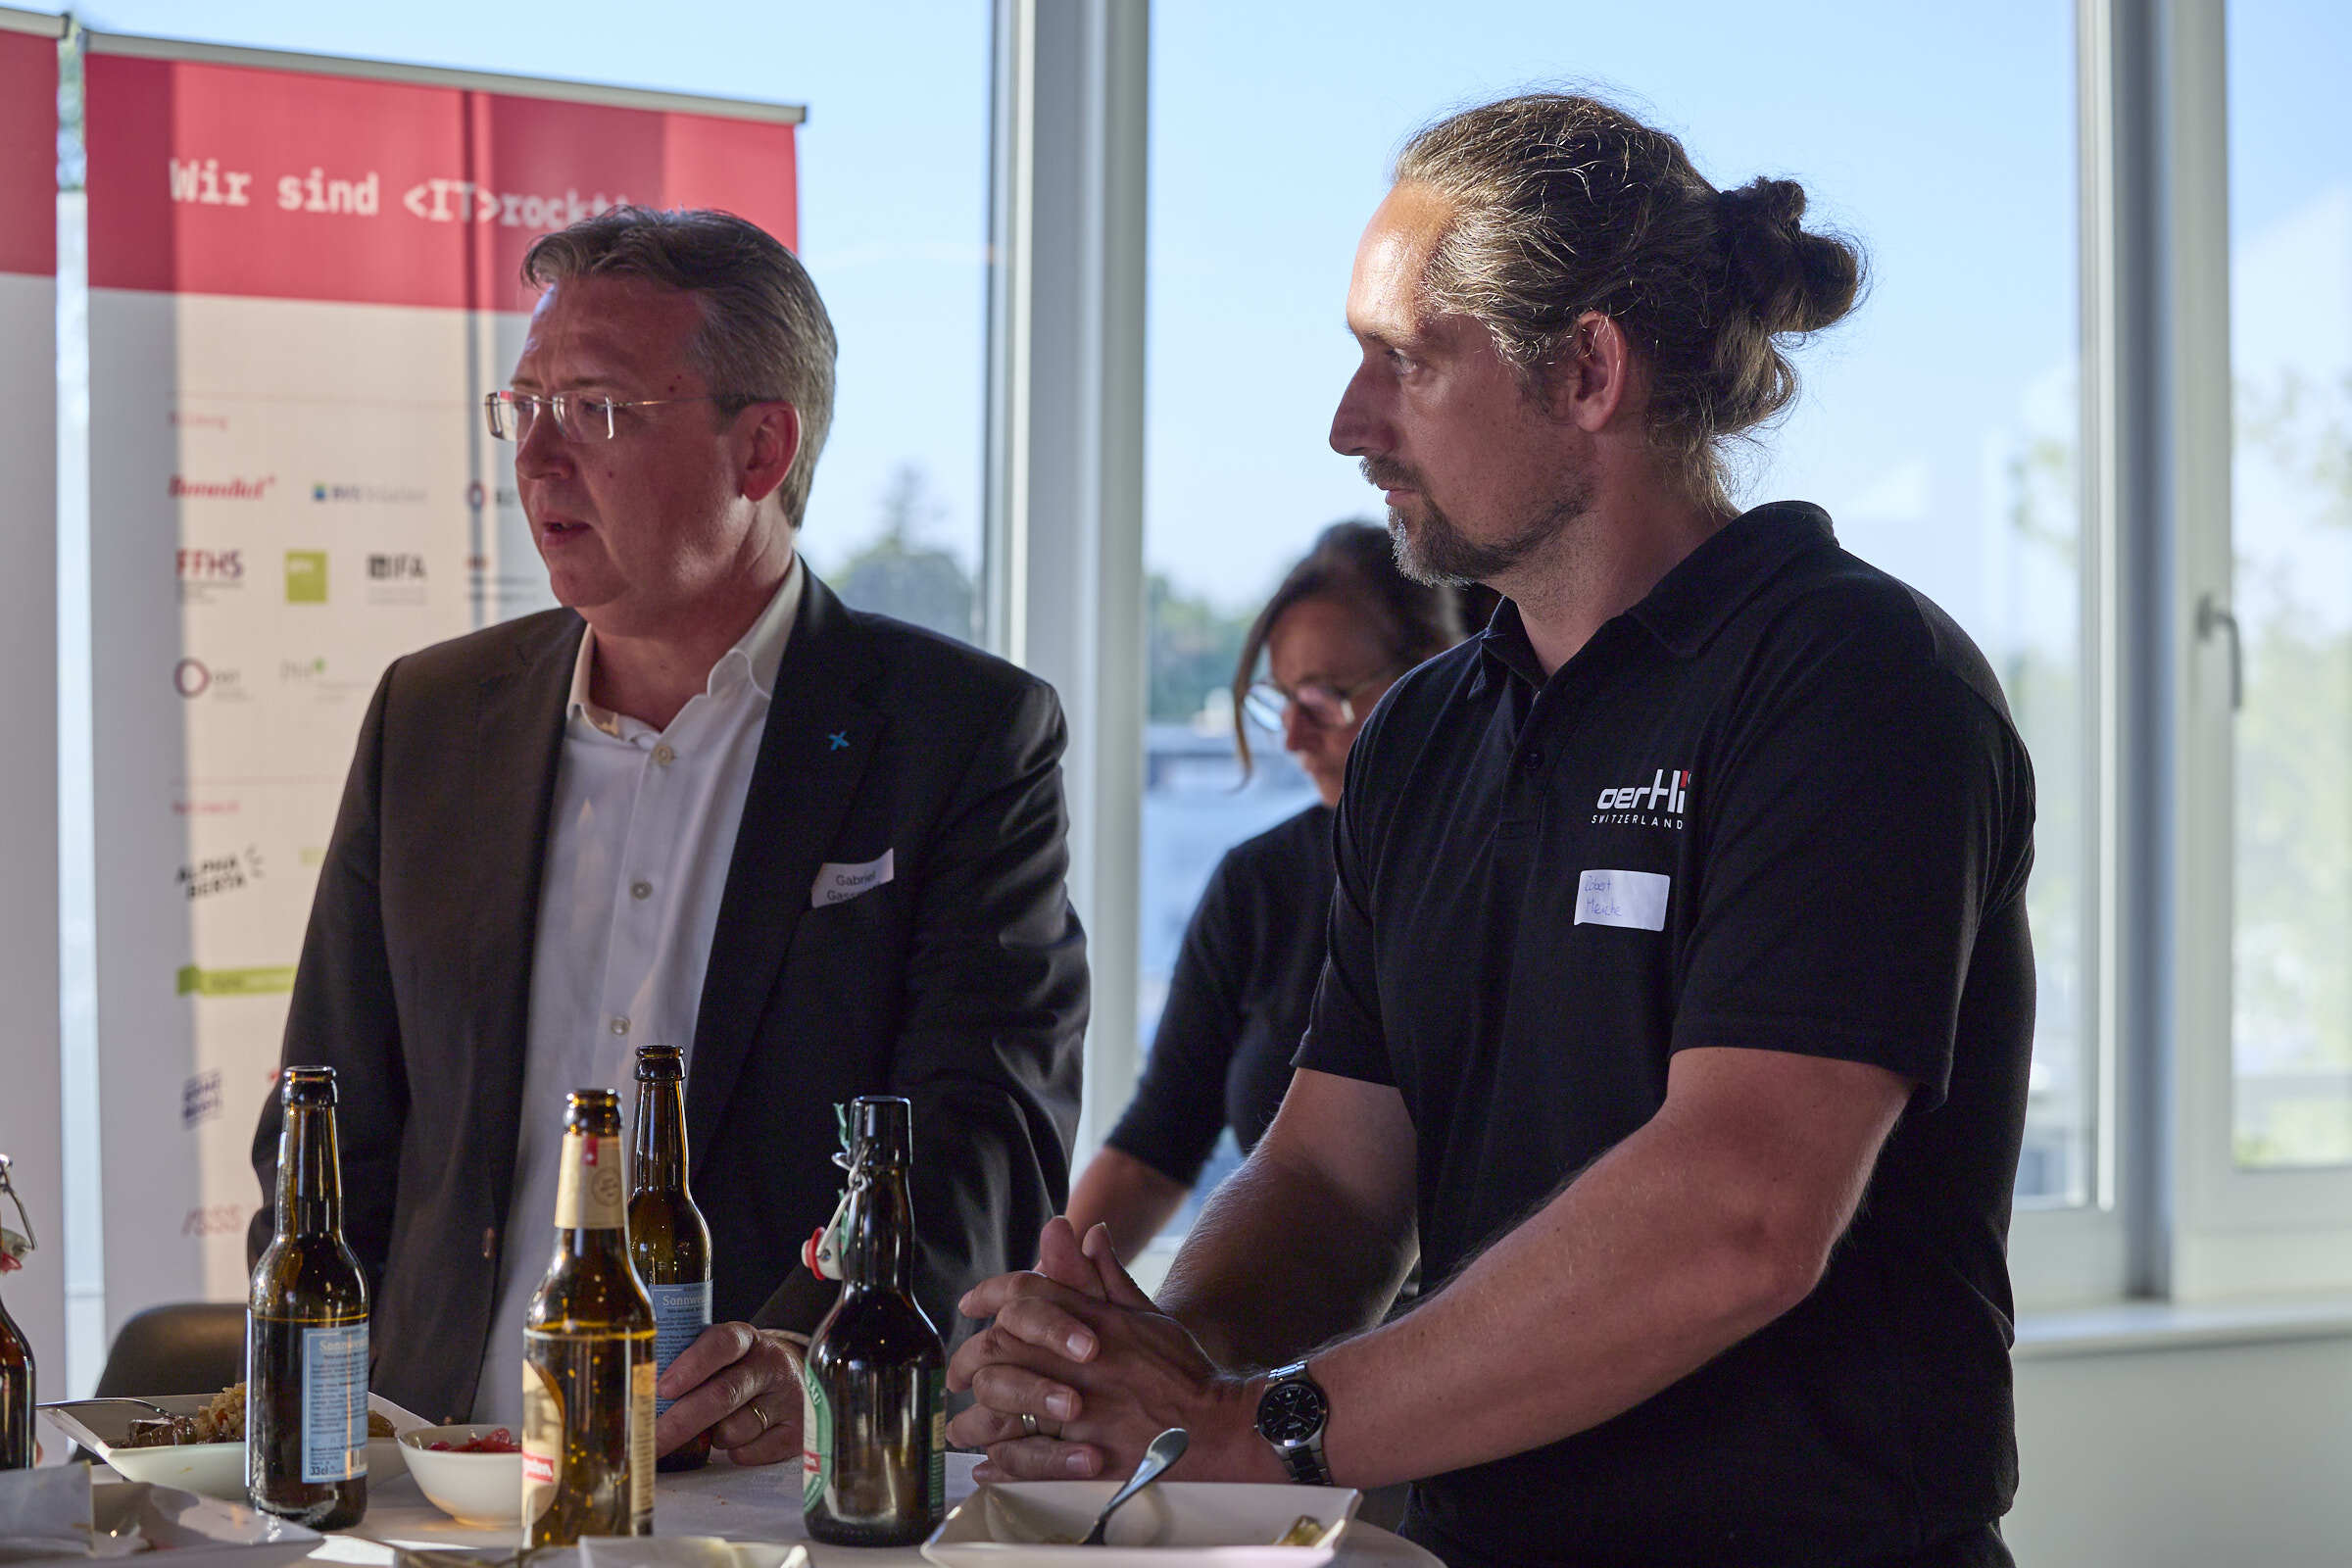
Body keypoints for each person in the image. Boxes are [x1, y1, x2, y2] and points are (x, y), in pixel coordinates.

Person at [947, 92, 2034, 1568]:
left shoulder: (1852, 681)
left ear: (1587, 370)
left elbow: (1741, 1215)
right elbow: (1332, 1181)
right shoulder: (1425, 732)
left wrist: (1270, 1429)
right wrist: (1143, 1367)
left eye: (1405, 359)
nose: (1350, 424)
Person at [248, 207, 1088, 1465]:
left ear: (760, 449)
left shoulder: (955, 734)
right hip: (441, 1471)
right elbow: (329, 1118)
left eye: (595, 409)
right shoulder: (432, 715)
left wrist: (814, 1358)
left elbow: (984, 1141)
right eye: (523, 406)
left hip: (755, 1483)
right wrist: (324, 1434)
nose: (537, 457)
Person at [1066, 523, 1466, 1262]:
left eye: (1323, 697)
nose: (1292, 738)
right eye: (1279, 699)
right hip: (1305, 1318)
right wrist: (1042, 1298)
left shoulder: (1514, 865)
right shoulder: (1261, 883)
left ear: (1438, 668)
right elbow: (1154, 1149)